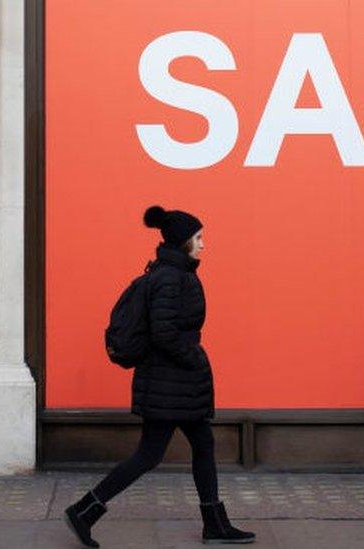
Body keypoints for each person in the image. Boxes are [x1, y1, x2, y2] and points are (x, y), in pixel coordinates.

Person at [64, 205, 255, 546]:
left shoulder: (170, 273)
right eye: (198, 238)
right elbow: (164, 334)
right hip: (172, 382)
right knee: (152, 455)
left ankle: (213, 523)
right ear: (183, 242)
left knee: (197, 446)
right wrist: (194, 358)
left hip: (171, 383)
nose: (203, 244)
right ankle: (84, 510)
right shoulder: (172, 278)